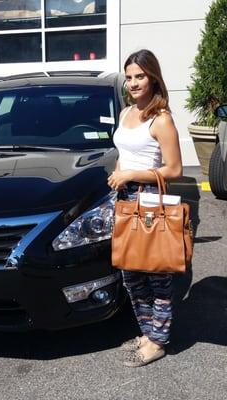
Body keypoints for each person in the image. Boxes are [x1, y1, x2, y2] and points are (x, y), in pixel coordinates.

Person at [107, 49, 183, 367]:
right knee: (131, 275)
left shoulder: (161, 118)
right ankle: (147, 332)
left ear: (153, 77)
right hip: (125, 200)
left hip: (150, 202)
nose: (134, 83)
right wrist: (119, 173)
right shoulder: (126, 113)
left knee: (157, 276)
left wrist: (132, 174)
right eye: (129, 77)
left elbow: (175, 169)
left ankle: (158, 342)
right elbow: (125, 150)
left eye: (140, 76)